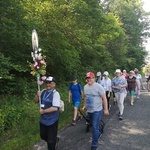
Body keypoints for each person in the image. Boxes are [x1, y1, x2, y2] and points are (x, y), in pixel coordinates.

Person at [83, 72, 109, 150]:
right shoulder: (85, 87)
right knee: (93, 125)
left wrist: (106, 109)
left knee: (94, 127)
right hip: (89, 110)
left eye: (91, 78)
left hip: (97, 110)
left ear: (94, 78)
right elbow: (85, 97)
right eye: (87, 78)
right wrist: (84, 106)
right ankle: (98, 132)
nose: (89, 80)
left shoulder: (99, 87)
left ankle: (94, 145)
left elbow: (104, 98)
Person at [34, 76, 60, 150]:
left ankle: (53, 142)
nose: (48, 84)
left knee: (50, 141)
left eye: (50, 83)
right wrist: (37, 95)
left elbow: (55, 108)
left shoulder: (56, 94)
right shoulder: (42, 91)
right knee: (43, 136)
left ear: (54, 84)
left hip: (52, 120)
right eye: (47, 83)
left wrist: (43, 111)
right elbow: (35, 101)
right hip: (43, 120)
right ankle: (55, 139)